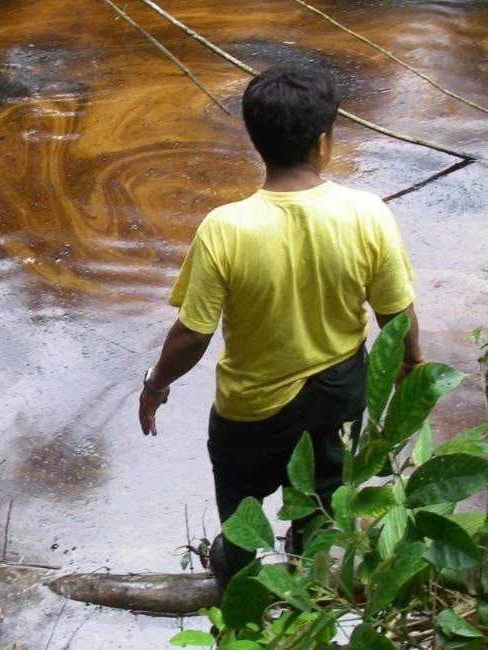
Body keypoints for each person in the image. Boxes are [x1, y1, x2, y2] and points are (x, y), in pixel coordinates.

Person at [137, 65, 424, 589]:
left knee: (241, 512)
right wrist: (411, 361)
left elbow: (192, 335)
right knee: (322, 496)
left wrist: (155, 386)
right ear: (323, 142)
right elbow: (395, 313)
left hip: (251, 410)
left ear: (255, 139)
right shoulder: (368, 214)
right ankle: (308, 583)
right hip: (338, 394)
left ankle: (240, 585)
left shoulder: (225, 227)